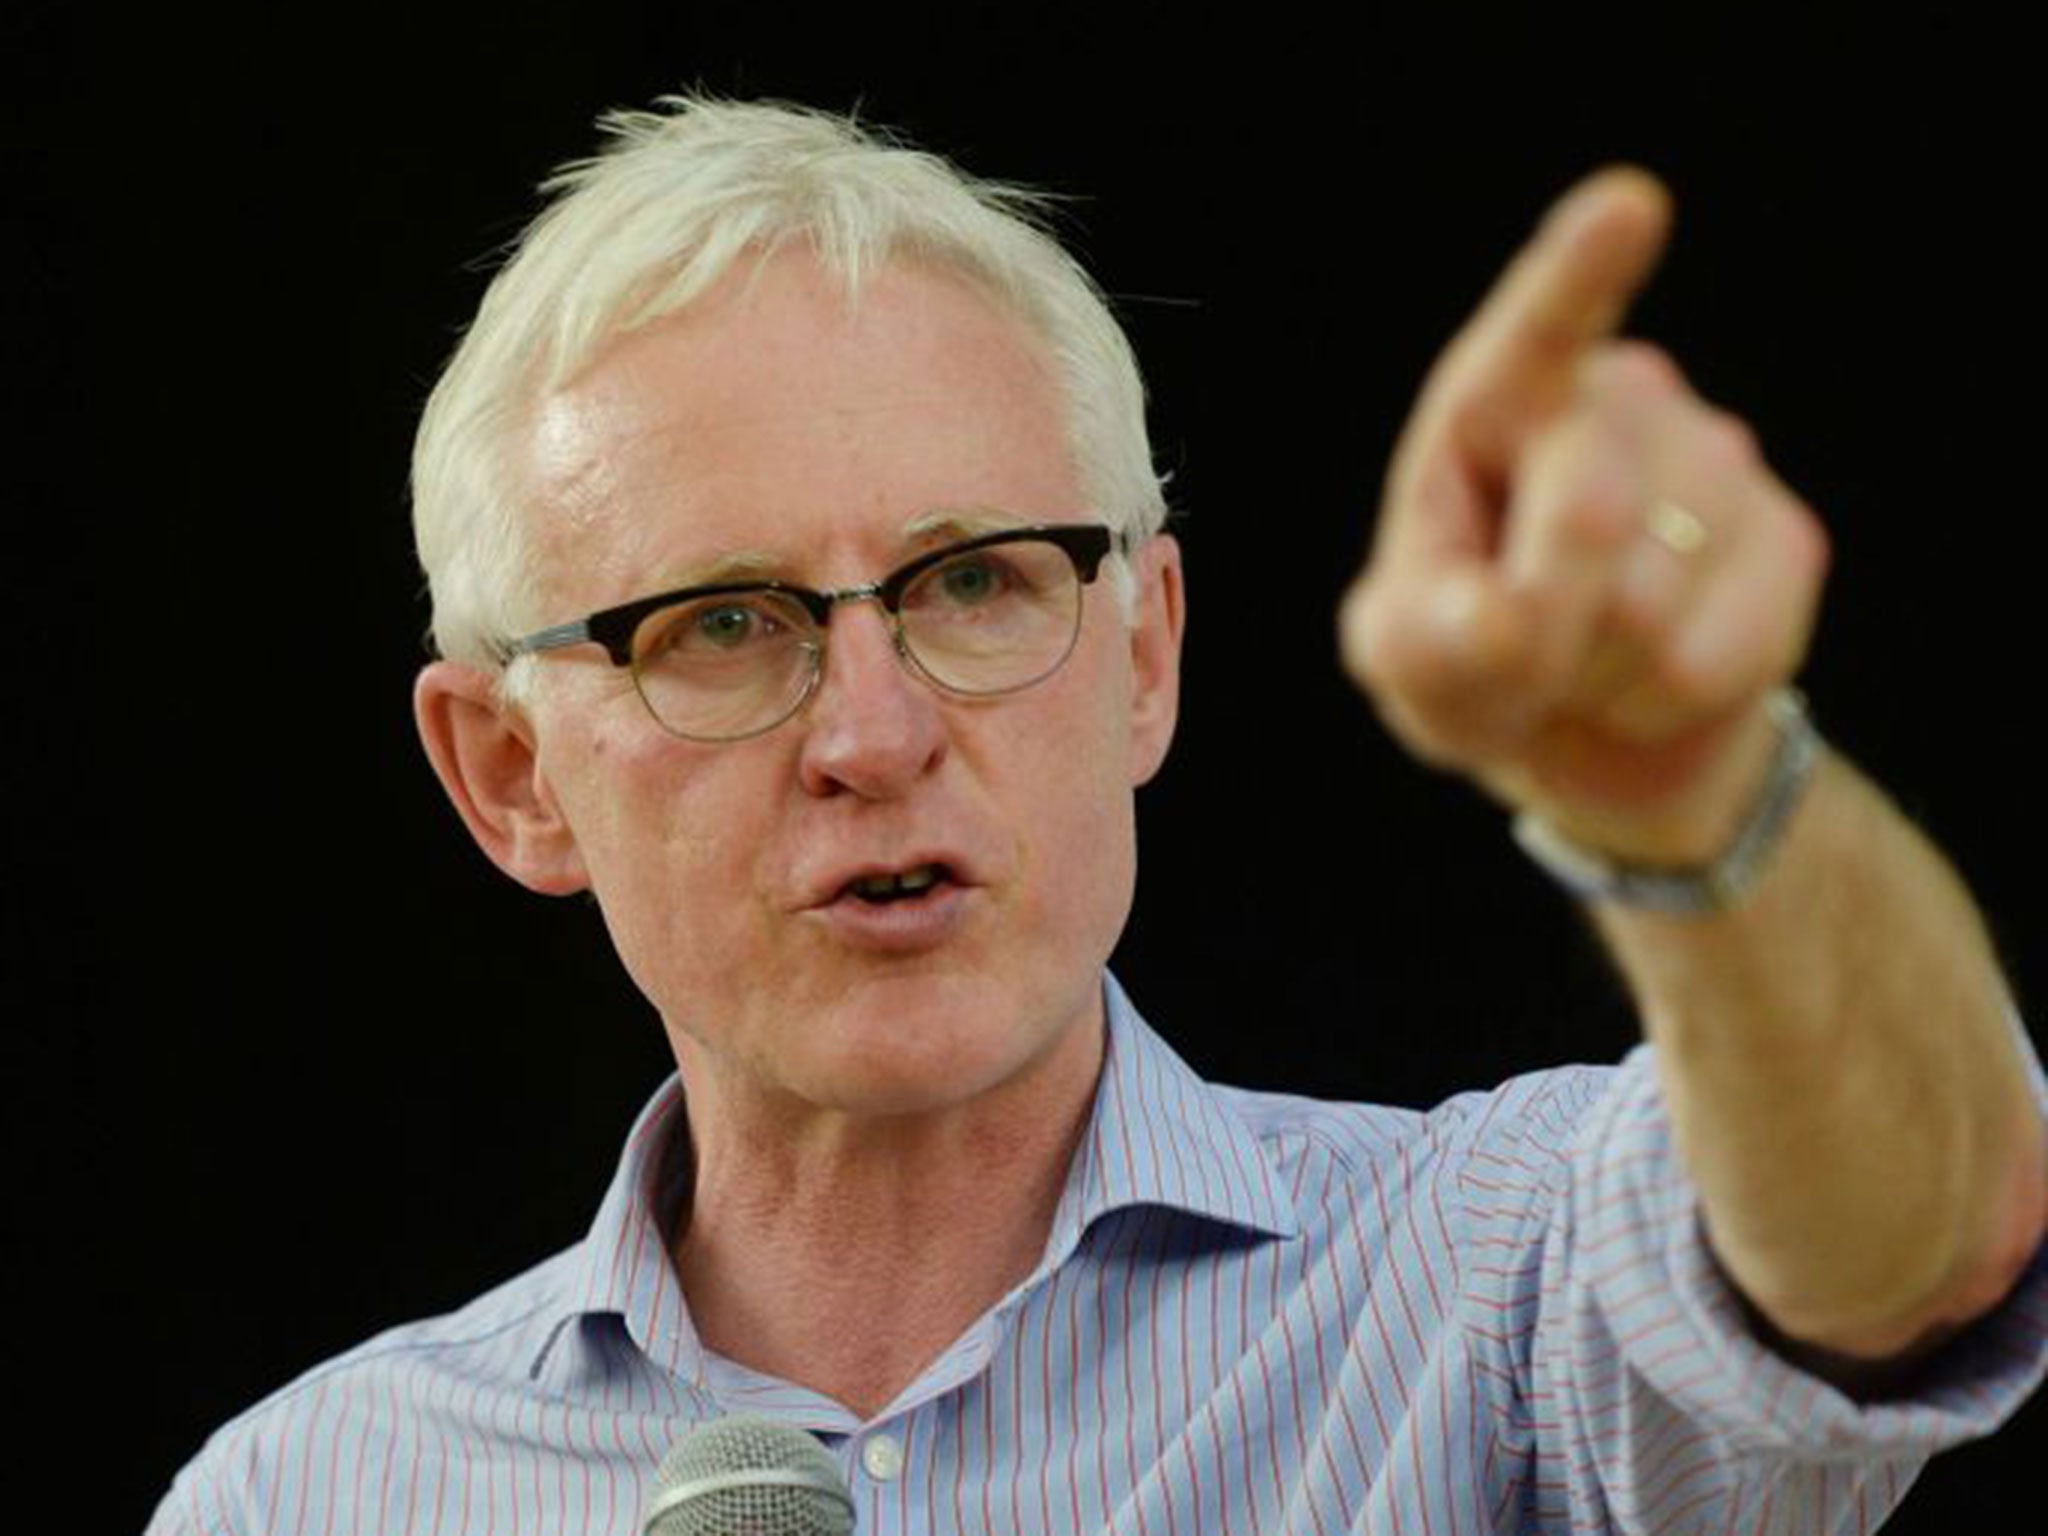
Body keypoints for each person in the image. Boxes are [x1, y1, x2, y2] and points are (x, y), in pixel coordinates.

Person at [146, 95, 2047, 1534]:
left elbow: (1927, 1234)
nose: (873, 734)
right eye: (720, 625)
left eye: (980, 581)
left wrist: (1698, 797)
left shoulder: (1493, 1283)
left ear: (1144, 653)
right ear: (507, 772)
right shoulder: (311, 1494)